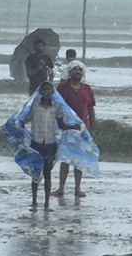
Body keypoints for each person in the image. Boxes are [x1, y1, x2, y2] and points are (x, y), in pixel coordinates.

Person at [5, 80, 85, 211]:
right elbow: (26, 118)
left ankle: (47, 203)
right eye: (44, 89)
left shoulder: (57, 106)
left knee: (47, 173)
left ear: (52, 92)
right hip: (36, 143)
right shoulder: (35, 105)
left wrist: (74, 126)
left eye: (49, 89)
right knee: (35, 174)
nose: (46, 91)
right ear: (40, 92)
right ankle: (35, 202)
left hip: (50, 144)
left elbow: (61, 124)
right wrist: (17, 124)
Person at [57, 62, 98, 199]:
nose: (78, 72)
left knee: (80, 159)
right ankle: (61, 188)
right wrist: (60, 124)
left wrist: (92, 128)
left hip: (82, 129)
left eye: (80, 70)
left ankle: (77, 188)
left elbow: (91, 109)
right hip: (66, 128)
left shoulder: (87, 89)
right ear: (69, 72)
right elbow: (57, 108)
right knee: (65, 158)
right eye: (75, 69)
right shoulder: (62, 88)